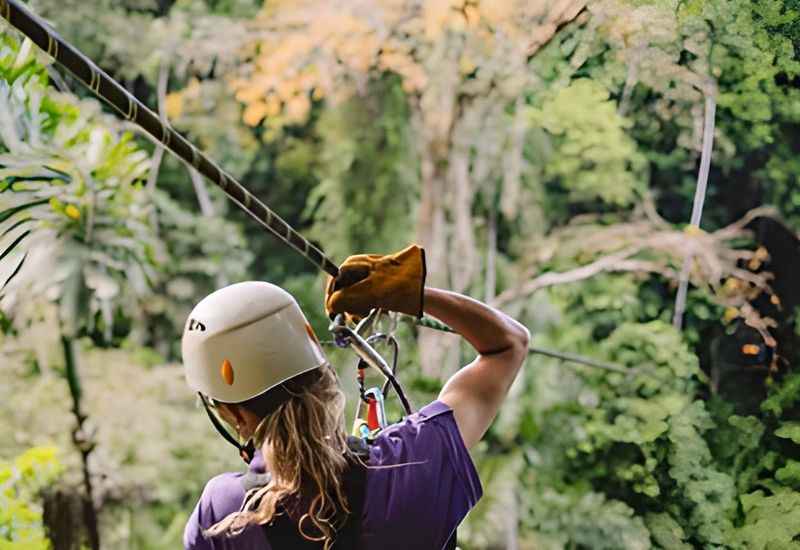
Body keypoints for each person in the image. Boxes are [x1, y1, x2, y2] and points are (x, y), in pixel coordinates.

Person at [182, 245, 530, 550]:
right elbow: (508, 344)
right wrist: (404, 293)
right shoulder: (411, 462)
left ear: (234, 415)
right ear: (321, 376)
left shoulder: (223, 511)